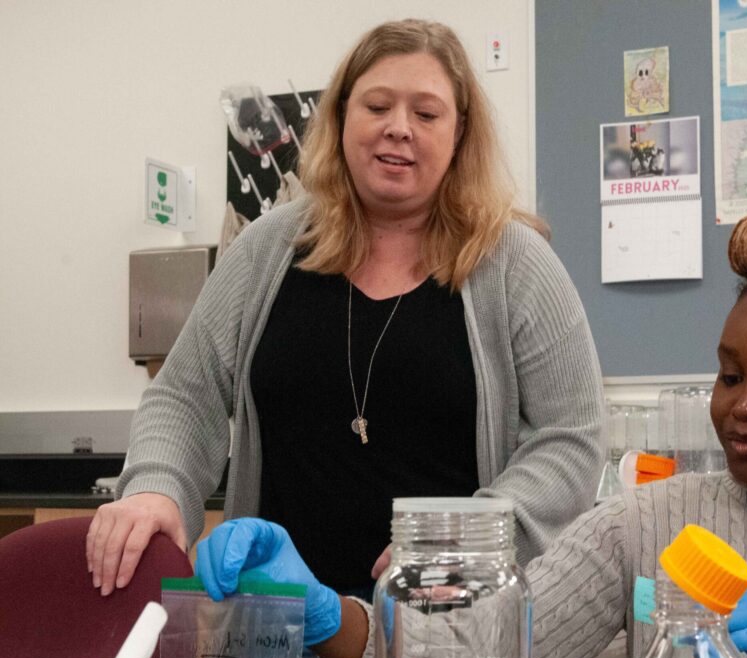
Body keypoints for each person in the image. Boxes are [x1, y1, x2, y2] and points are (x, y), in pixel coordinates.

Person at [195, 191, 747, 658]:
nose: (746, 403)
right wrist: (323, 617)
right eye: (731, 374)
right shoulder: (647, 523)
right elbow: (484, 655)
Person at [86, 18, 604, 614]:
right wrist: (155, 488)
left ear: (460, 136)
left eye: (427, 113)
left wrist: (472, 535)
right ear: (340, 120)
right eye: (377, 105)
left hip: (447, 624)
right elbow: (185, 396)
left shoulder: (516, 264)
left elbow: (572, 439)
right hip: (273, 619)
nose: (398, 128)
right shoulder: (264, 252)